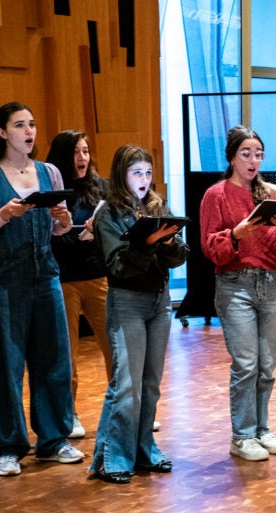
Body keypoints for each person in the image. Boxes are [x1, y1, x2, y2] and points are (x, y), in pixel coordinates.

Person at [0, 102, 82, 476]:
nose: (29, 131)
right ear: (2, 132)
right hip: (3, 280)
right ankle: (7, 447)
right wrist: (3, 215)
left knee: (54, 360)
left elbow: (59, 230)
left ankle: (53, 440)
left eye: (31, 124)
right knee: (6, 365)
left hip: (45, 275)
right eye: (19, 125)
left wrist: (63, 220)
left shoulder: (49, 172)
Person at [200, 126, 276, 461]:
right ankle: (242, 435)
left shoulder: (272, 193)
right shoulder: (216, 195)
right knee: (246, 364)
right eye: (246, 153)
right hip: (236, 285)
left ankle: (262, 429)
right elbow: (210, 247)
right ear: (232, 157)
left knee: (267, 364)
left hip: (273, 284)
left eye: (258, 154)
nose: (253, 160)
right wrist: (235, 235)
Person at [89, 145, 187, 483]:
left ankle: (145, 448)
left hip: (159, 303)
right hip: (127, 302)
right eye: (136, 173)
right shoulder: (108, 213)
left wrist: (169, 244)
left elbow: (179, 256)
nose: (144, 180)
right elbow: (117, 265)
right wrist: (146, 244)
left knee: (151, 383)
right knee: (126, 385)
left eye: (147, 172)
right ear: (122, 175)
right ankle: (113, 457)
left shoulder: (158, 206)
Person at [46, 130, 111, 440]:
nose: (82, 158)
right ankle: (68, 413)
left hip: (97, 275)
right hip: (62, 280)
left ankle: (123, 407)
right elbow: (47, 236)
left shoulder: (101, 188)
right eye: (76, 152)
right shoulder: (50, 190)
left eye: (85, 151)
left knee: (115, 346)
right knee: (66, 353)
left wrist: (98, 231)